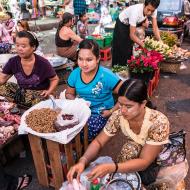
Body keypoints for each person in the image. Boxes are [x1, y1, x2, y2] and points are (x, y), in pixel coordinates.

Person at [67, 79, 188, 189]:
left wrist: (112, 167)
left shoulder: (158, 122)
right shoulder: (118, 116)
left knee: (155, 182)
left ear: (143, 103)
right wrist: (83, 160)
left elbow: (145, 161)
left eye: (129, 106)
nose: (123, 110)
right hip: (138, 152)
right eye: (120, 104)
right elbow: (99, 142)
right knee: (129, 150)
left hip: (160, 161)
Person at [65, 39, 123, 140]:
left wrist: (111, 111)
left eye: (89, 60)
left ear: (97, 59)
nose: (84, 64)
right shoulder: (75, 74)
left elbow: (126, 94)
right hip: (82, 110)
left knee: (85, 129)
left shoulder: (106, 75)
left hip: (101, 113)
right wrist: (77, 103)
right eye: (80, 59)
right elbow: (69, 93)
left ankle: (85, 149)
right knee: (65, 123)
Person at [0, 31, 59, 98]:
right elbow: (2, 79)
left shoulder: (43, 63)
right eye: (17, 45)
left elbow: (54, 79)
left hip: (41, 95)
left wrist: (49, 91)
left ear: (33, 47)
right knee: (4, 87)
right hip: (23, 95)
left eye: (23, 46)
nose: (19, 49)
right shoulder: (13, 62)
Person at [112, 0, 161, 66]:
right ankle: (118, 69)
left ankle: (127, 67)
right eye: (148, 10)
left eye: (152, 11)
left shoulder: (153, 9)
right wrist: (143, 45)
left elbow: (155, 27)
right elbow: (132, 35)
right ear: (144, 5)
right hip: (122, 25)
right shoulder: (136, 11)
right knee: (122, 49)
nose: (149, 13)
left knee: (129, 49)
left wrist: (160, 41)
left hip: (131, 24)